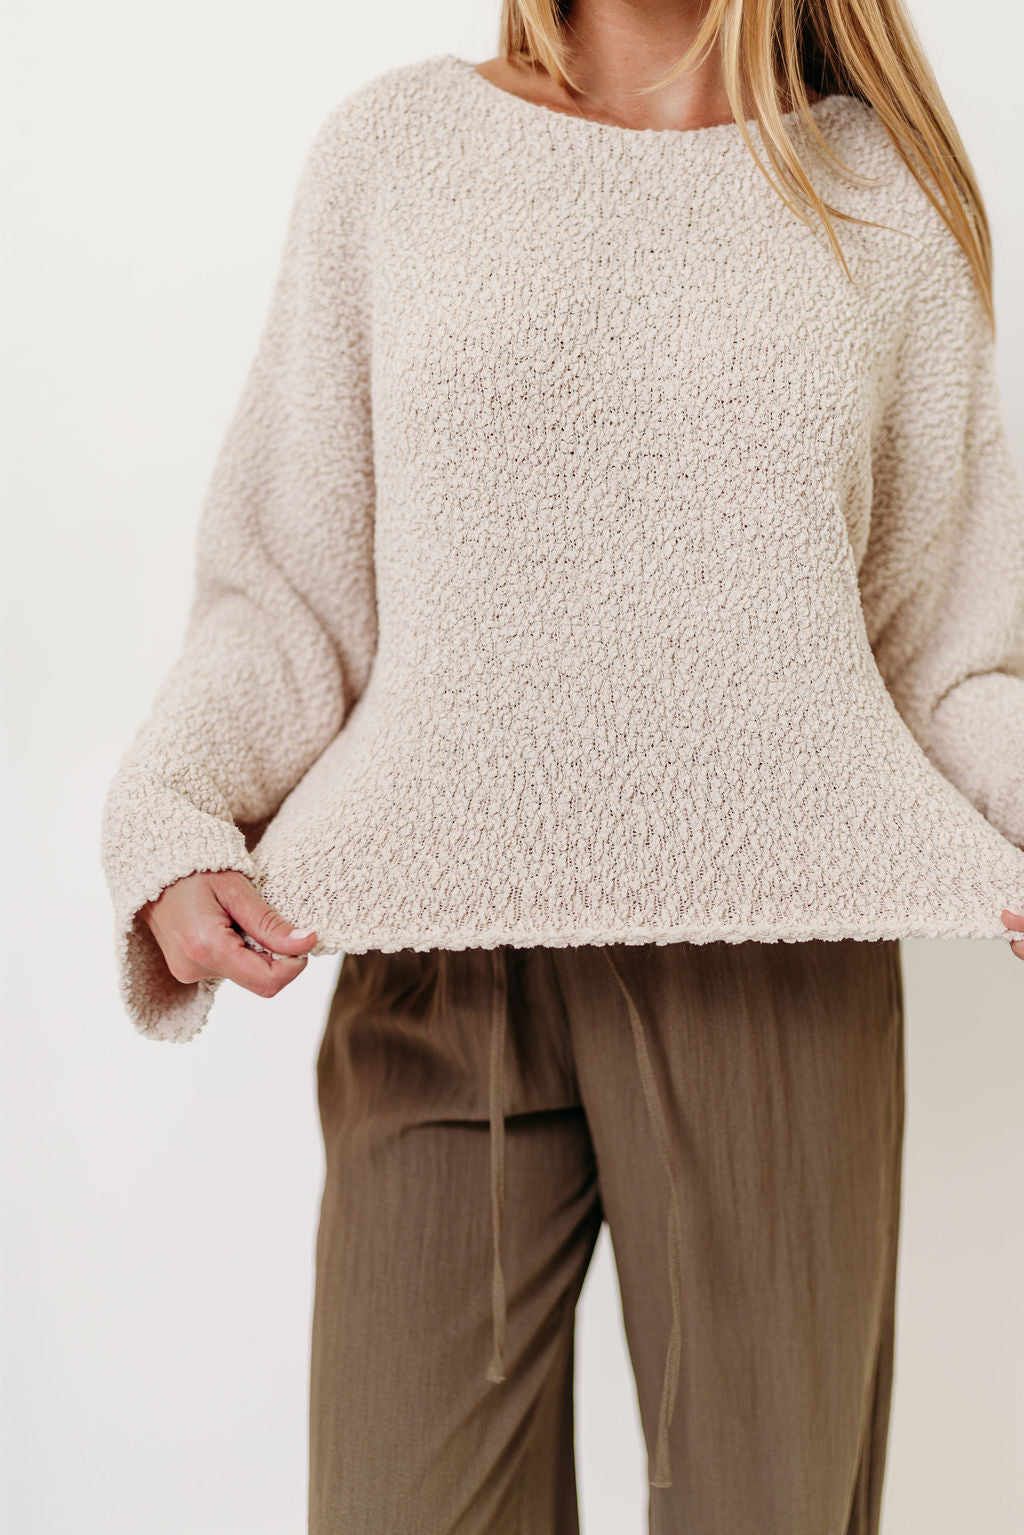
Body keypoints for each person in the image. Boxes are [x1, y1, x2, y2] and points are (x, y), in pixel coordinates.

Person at [100, 1, 1024, 1530]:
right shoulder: (398, 152)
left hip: (777, 958)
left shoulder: (878, 190)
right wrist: (177, 811)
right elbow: (291, 589)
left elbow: (945, 653)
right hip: (436, 956)